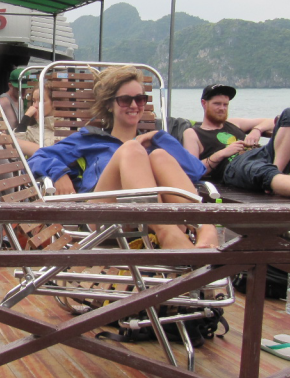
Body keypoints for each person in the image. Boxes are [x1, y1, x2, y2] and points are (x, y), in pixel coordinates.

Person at [28, 66, 217, 251]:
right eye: (125, 100)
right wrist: (58, 173)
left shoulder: (157, 144)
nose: (134, 106)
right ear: (109, 104)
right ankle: (167, 234)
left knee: (159, 156)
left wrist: (158, 137)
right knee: (131, 149)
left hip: (148, 224)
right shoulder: (90, 140)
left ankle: (204, 227)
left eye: (140, 99)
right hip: (103, 221)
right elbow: (39, 157)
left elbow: (195, 171)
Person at [182, 84, 290, 198]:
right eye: (217, 104)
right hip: (234, 166)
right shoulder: (193, 133)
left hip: (259, 155)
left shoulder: (233, 123)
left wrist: (257, 130)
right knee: (259, 169)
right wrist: (223, 153)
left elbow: (273, 121)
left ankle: (274, 171)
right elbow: (194, 170)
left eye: (225, 105)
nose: (222, 108)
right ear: (204, 103)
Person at [13, 86, 57, 157]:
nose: (35, 106)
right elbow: (16, 152)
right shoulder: (31, 130)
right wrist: (26, 118)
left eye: (41, 101)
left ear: (54, 103)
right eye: (34, 101)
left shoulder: (70, 124)